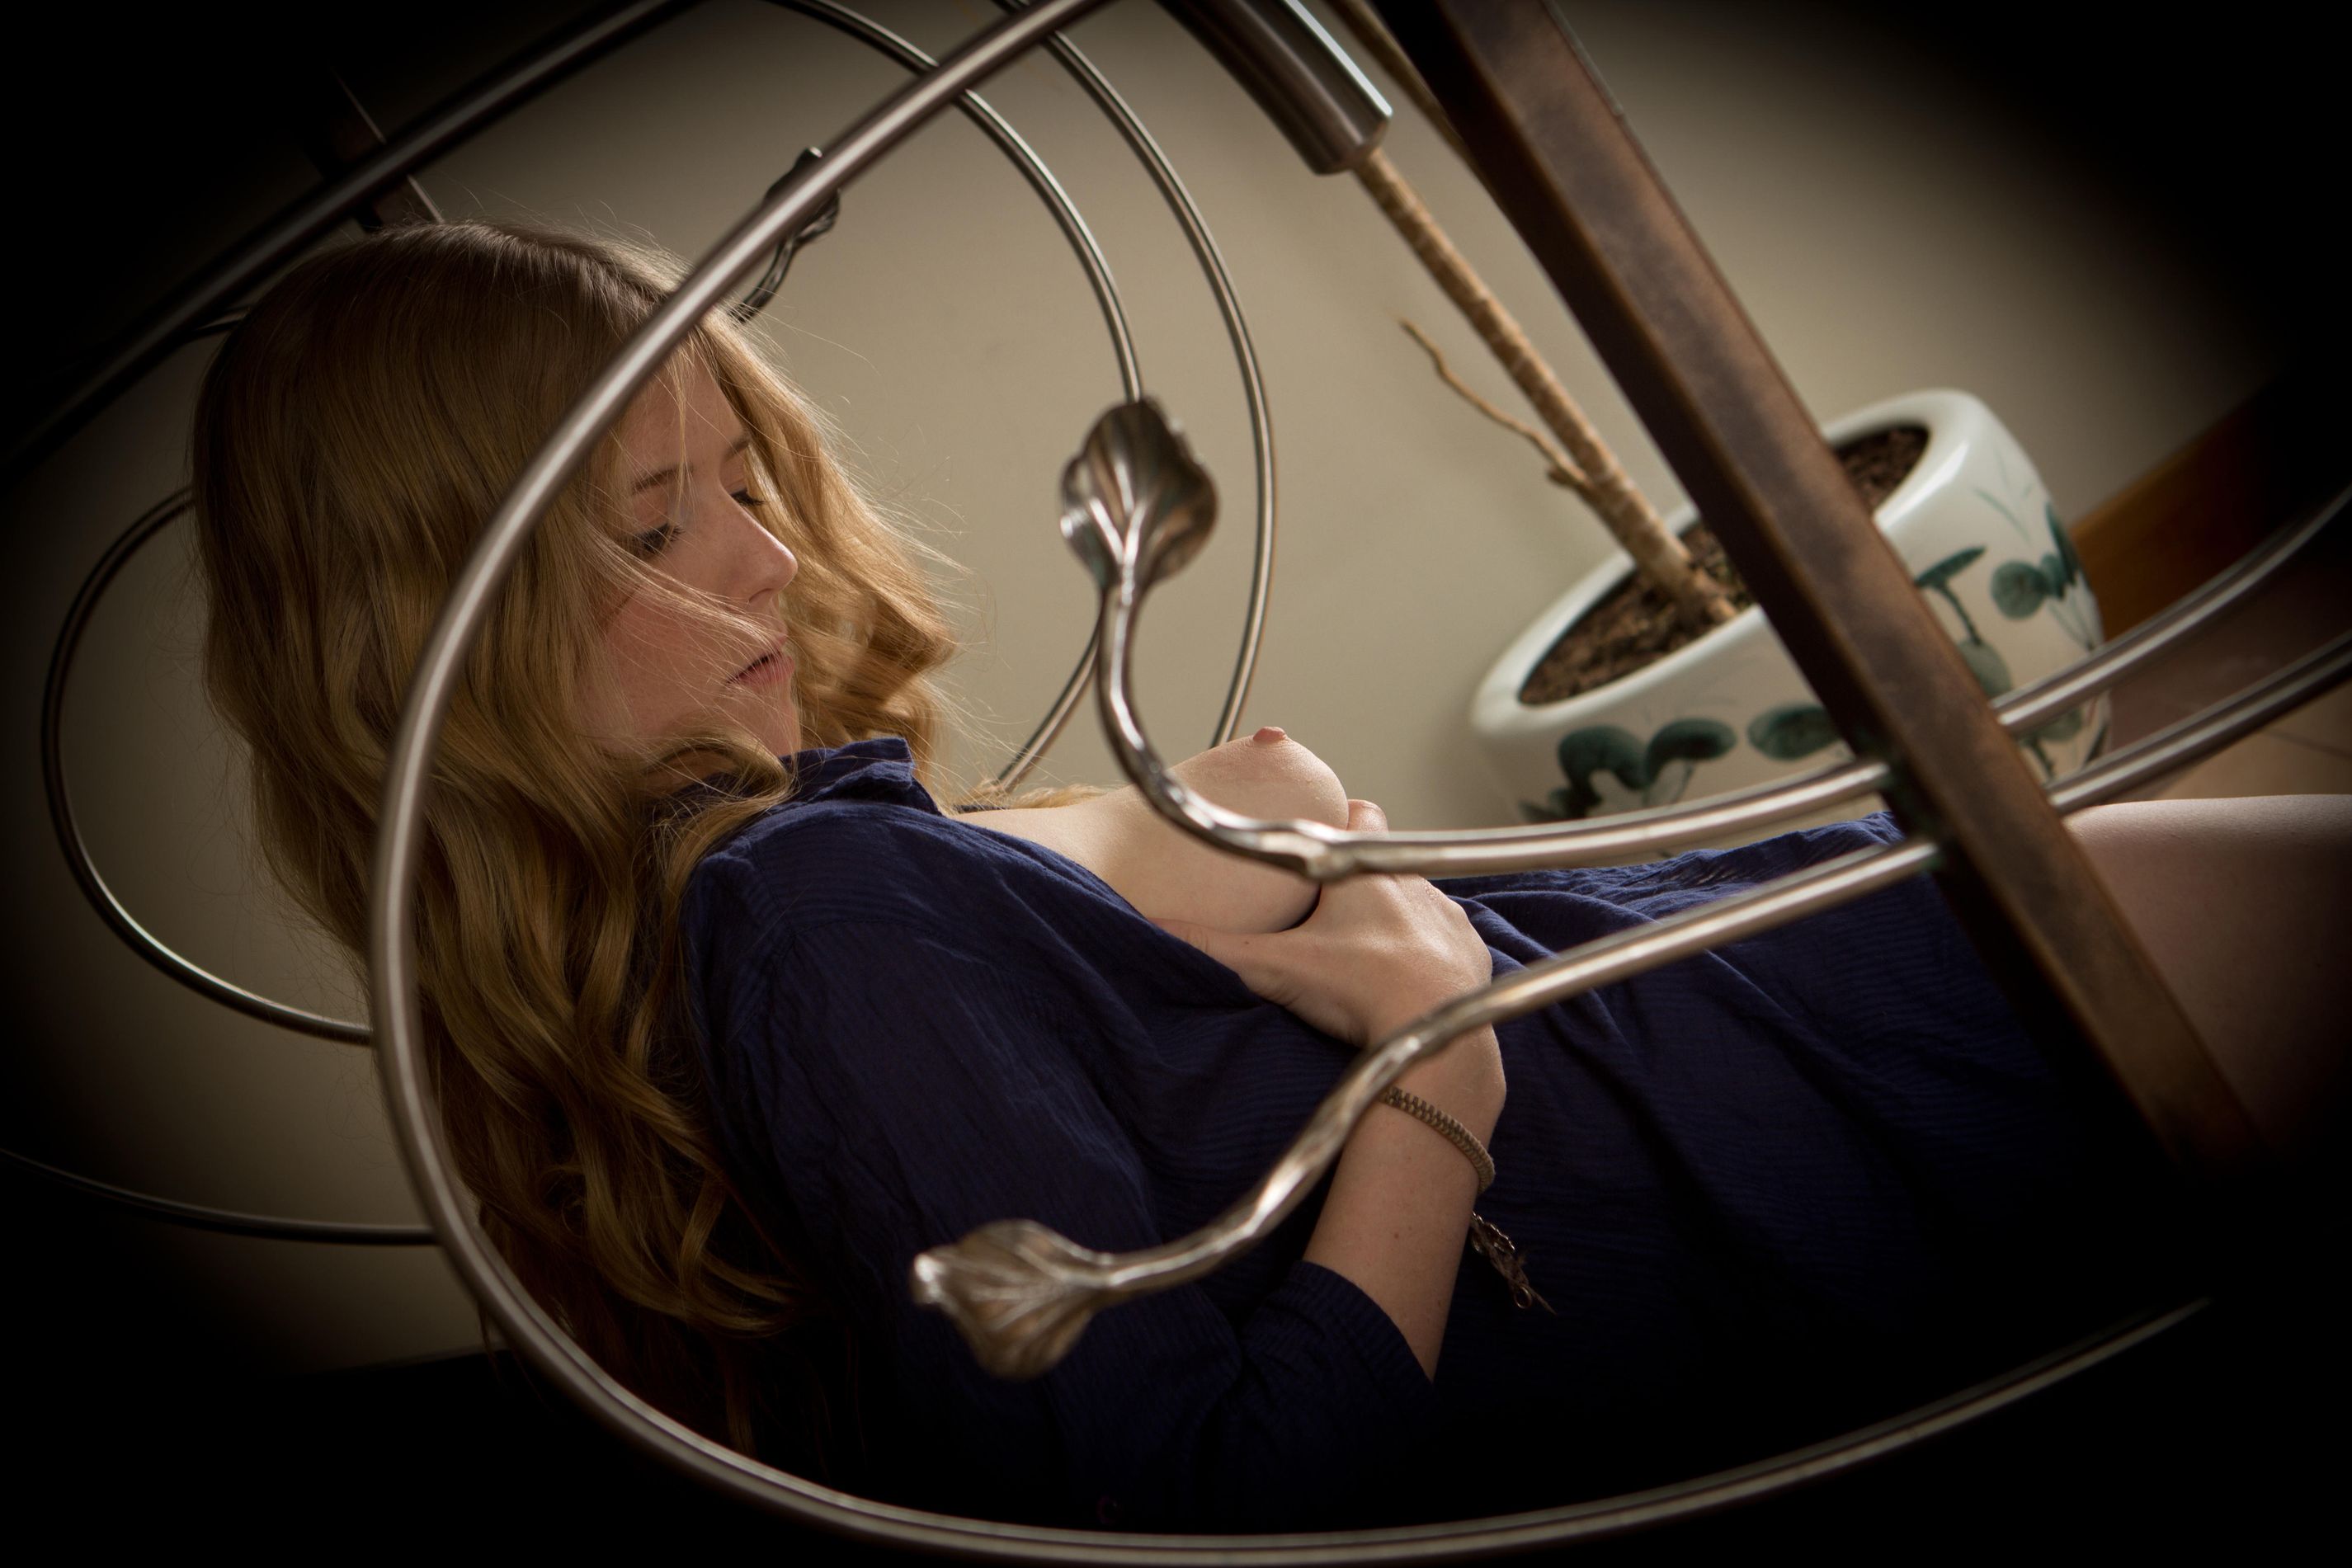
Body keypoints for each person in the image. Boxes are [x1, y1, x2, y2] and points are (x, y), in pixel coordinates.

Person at [190, 219, 2348, 1533]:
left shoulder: (773, 904)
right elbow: (1202, 1498)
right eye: (657, 526)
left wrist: (1226, 868)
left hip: (1702, 1020)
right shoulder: (802, 925)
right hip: (1732, 1110)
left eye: (746, 479)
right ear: (440, 636)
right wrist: (1429, 1062)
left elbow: (1137, 959)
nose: (763, 557)